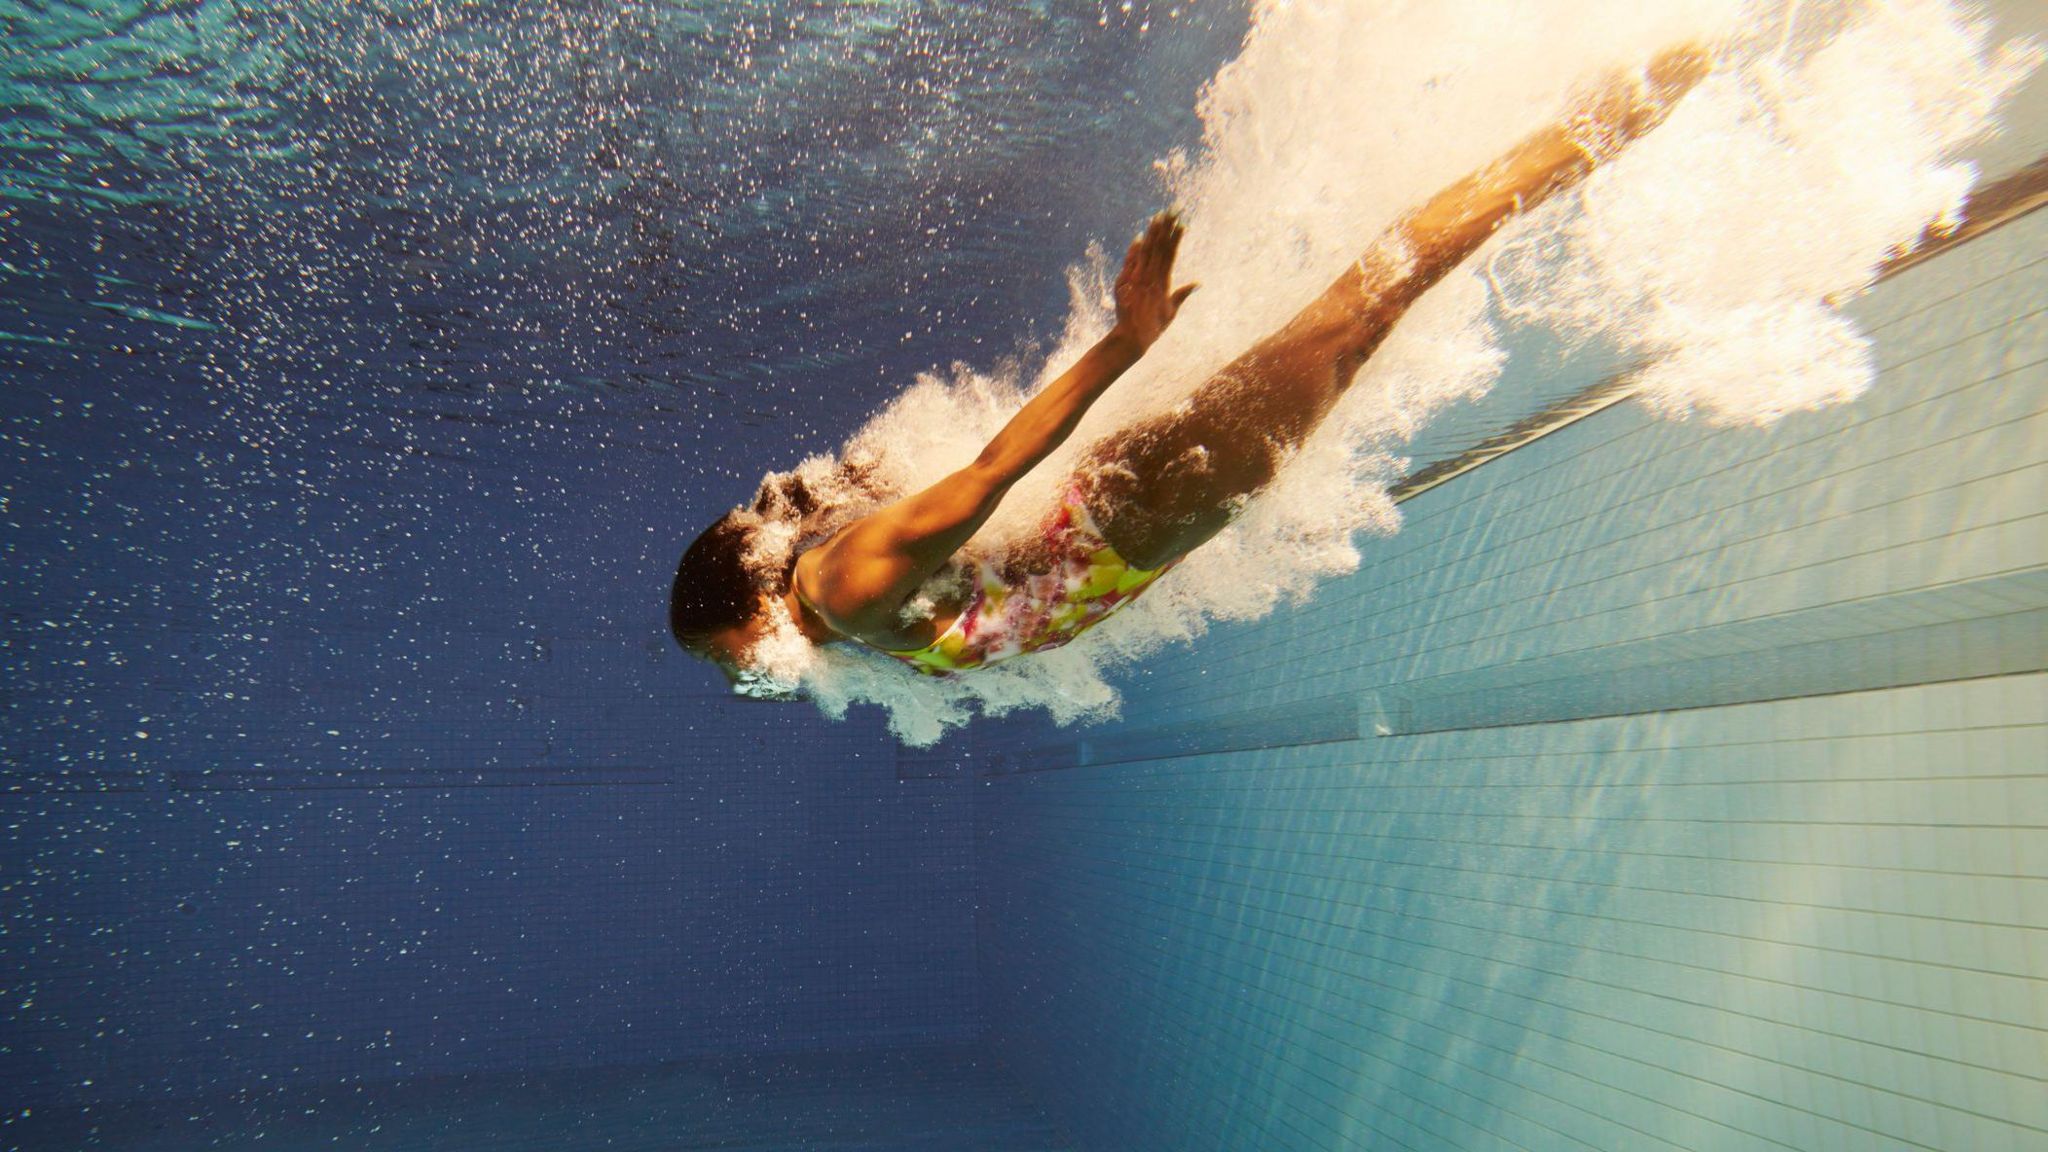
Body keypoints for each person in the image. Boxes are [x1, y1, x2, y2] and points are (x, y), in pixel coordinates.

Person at [671, 47, 1712, 699]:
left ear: (749, 603)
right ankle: (1587, 123)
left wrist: (1126, 347)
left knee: (1367, 302)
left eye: (726, 659)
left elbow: (988, 475)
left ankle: (1604, 114)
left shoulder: (836, 588)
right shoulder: (847, 616)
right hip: (1141, 510)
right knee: (1363, 309)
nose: (743, 681)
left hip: (1150, 498)